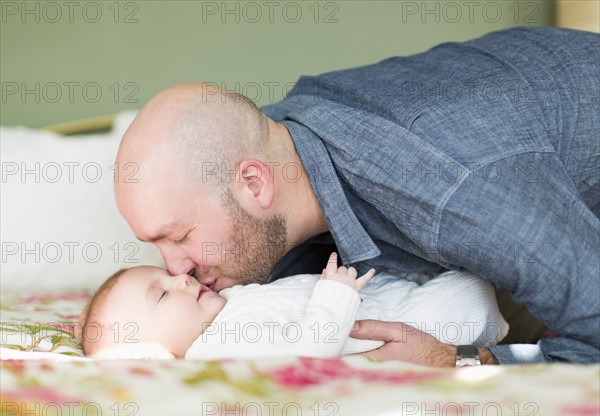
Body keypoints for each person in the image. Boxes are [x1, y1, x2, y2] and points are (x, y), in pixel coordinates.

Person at [115, 27, 599, 365]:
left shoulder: (457, 193)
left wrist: (464, 361)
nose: (173, 268)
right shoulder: (274, 144)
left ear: (255, 183)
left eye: (178, 236)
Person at [77, 253, 508, 360]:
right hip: (426, 320)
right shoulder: (216, 349)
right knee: (469, 288)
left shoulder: (223, 309)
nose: (181, 277)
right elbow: (308, 349)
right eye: (163, 293)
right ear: (156, 350)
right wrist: (335, 294)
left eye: (167, 274)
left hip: (390, 299)